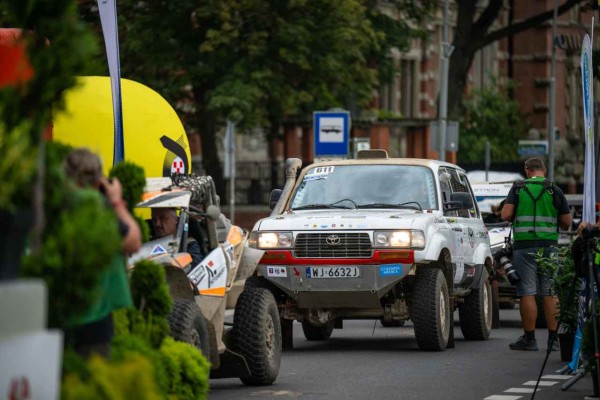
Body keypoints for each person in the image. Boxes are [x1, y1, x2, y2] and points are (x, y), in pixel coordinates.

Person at [64, 148, 142, 358]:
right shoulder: (95, 207)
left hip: (58, 313)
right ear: (98, 180)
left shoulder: (55, 206)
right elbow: (133, 241)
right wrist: (116, 201)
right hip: (94, 316)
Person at [501, 157, 572, 351]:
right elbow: (567, 222)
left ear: (527, 170)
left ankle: (530, 339)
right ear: (544, 171)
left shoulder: (517, 188)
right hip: (549, 246)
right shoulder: (554, 189)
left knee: (527, 292)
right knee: (549, 291)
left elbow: (506, 215)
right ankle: (553, 340)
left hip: (524, 247)